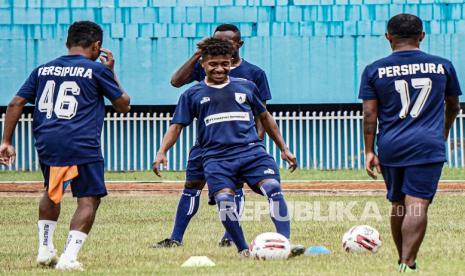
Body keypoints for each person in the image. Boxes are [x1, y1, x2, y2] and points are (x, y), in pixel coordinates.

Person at [0, 21, 130, 271]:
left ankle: (45, 249)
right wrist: (111, 72)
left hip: (47, 140)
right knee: (89, 198)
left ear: (67, 43)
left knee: (52, 190)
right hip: (81, 142)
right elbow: (123, 105)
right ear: (97, 46)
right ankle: (69, 258)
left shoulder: (43, 69)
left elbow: (16, 103)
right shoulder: (96, 70)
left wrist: (6, 141)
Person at [153, 38, 299, 256]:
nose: (219, 68)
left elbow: (265, 117)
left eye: (225, 63)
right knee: (224, 200)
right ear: (202, 64)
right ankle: (242, 250)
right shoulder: (192, 94)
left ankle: (285, 243)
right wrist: (162, 151)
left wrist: (284, 148)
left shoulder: (247, 87)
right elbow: (176, 126)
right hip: (216, 157)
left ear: (231, 62)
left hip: (251, 152)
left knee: (273, 188)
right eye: (213, 64)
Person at [360, 14, 461, 273]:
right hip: (427, 144)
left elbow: (370, 115)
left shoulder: (374, 70)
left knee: (397, 203)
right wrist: (443, 131)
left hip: (391, 144)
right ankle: (407, 263)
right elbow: (453, 105)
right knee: (417, 203)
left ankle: (404, 261)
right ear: (422, 36)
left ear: (388, 37)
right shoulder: (443, 66)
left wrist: (369, 150)